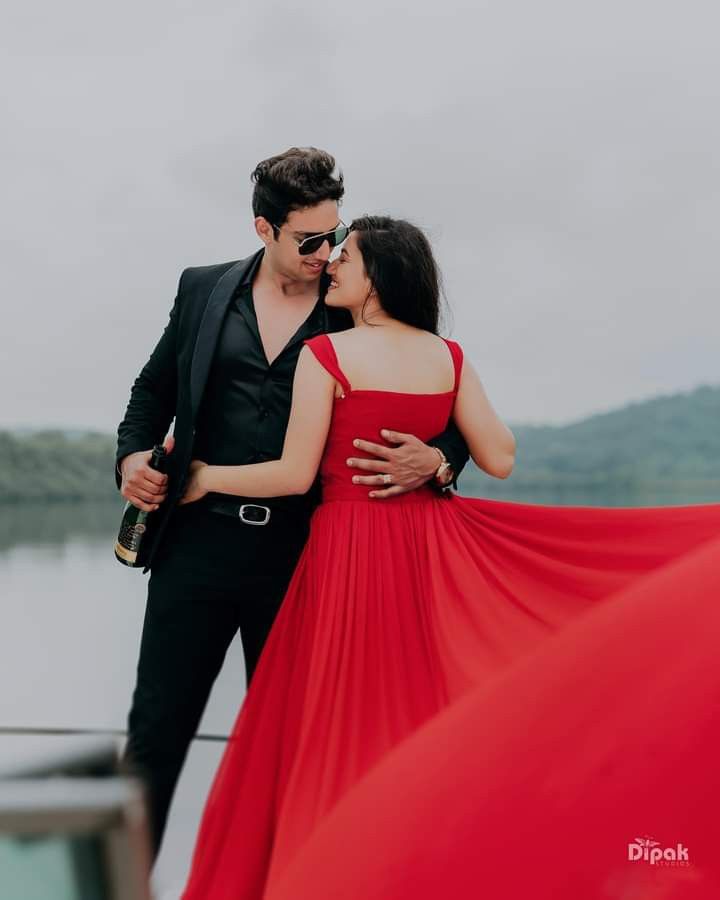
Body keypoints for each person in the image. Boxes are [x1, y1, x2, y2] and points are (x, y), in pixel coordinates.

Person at [178, 215, 720, 898]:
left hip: (349, 549)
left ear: (379, 277)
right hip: (428, 549)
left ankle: (335, 869)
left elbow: (292, 475)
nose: (333, 266)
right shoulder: (448, 356)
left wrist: (205, 477)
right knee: (416, 708)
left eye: (347, 258)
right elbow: (499, 457)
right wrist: (437, 461)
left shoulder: (328, 354)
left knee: (336, 719)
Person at [114, 149, 469, 857]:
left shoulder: (357, 305)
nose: (325, 254)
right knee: (155, 733)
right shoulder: (203, 289)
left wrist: (439, 460)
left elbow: (444, 405)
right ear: (264, 229)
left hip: (305, 558)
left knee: (293, 744)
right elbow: (151, 392)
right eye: (308, 240)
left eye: (334, 237)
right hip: (195, 545)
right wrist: (129, 458)